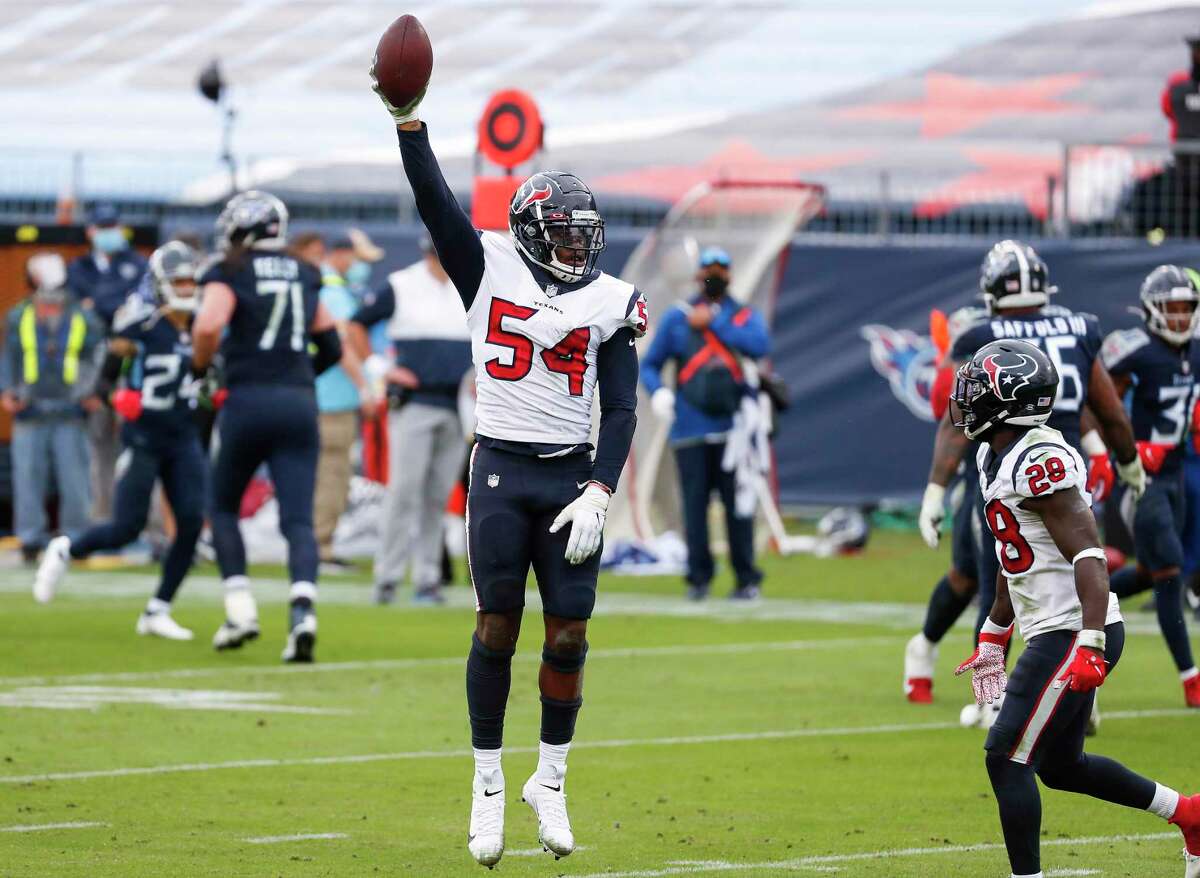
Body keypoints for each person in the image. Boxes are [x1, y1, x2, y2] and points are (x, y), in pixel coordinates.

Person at [373, 69, 645, 867]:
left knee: (569, 634)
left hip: (567, 477)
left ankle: (550, 779)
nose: (576, 245)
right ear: (529, 229)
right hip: (498, 469)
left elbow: (622, 407)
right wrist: (408, 120)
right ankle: (487, 782)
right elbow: (435, 204)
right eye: (562, 233)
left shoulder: (610, 299)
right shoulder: (485, 265)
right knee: (497, 624)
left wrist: (601, 488)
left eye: (582, 233)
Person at [949, 339, 1200, 878]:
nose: (964, 398)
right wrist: (995, 632)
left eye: (977, 389)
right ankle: (1190, 815)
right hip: (1055, 628)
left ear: (1007, 400)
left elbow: (1089, 553)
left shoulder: (1040, 459)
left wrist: (1090, 641)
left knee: (1006, 757)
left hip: (1073, 631)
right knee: (1062, 767)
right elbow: (1014, 557)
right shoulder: (992, 453)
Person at [906, 240, 1144, 721]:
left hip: (1021, 465)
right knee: (1032, 573)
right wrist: (1124, 459)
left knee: (1015, 572)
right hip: (1057, 464)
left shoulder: (984, 333)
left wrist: (934, 489)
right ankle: (1011, 689)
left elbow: (960, 417)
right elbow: (1104, 409)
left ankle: (1034, 694)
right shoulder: (1076, 327)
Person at [194, 190, 343, 663]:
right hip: (299, 402)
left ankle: (240, 610)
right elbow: (333, 347)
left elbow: (206, 326)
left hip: (247, 399)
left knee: (221, 507)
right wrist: (295, 379)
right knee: (298, 519)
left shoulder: (231, 271)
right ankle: (303, 612)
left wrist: (202, 371)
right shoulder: (306, 271)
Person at [32, 242, 208, 640]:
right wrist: (117, 398)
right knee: (125, 528)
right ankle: (65, 549)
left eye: (190, 280)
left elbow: (207, 375)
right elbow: (105, 381)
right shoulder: (139, 326)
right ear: (162, 284)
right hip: (144, 436)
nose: (186, 287)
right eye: (178, 281)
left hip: (182, 436)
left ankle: (157, 609)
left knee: (192, 523)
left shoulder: (204, 324)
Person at [640, 246, 770, 601]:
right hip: (690, 428)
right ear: (698, 276)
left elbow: (760, 345)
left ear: (729, 276)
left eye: (721, 271)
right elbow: (649, 364)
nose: (714, 277)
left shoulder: (742, 315)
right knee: (694, 508)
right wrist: (659, 394)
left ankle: (746, 578)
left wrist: (715, 322)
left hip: (734, 430)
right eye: (708, 270)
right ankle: (698, 579)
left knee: (738, 508)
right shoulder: (677, 318)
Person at [348, 236, 472, 604]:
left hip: (457, 403)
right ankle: (387, 576)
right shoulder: (403, 284)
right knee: (403, 491)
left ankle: (428, 578)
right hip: (415, 401)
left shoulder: (467, 285)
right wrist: (381, 368)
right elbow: (356, 326)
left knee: (437, 495)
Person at [1099, 265, 1200, 706]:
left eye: (1186, 309)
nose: (1179, 317)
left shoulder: (1195, 352)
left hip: (1175, 474)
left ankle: (1081, 598)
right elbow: (1097, 402)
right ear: (1150, 311)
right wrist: (1128, 449)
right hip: (1140, 480)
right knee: (1169, 571)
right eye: (1170, 309)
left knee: (1148, 573)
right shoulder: (1135, 350)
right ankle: (1191, 678)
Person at [0, 254, 103, 563]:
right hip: (29, 410)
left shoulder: (84, 318)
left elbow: (96, 355)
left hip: (71, 410)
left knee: (75, 479)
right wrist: (7, 390)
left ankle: (76, 539)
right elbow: (8, 356)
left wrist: (94, 391)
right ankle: (30, 540)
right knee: (28, 478)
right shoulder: (19, 316)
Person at [67, 203, 149, 522]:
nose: (110, 232)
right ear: (91, 231)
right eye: (103, 227)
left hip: (131, 365)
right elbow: (78, 310)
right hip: (92, 367)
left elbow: (136, 307)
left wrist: (99, 302)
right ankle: (102, 521)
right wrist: (112, 303)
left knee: (138, 444)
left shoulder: (137, 264)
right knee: (98, 446)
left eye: (113, 226)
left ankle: (140, 522)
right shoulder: (79, 267)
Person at [313, 233, 377, 573]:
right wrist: (364, 387)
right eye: (356, 258)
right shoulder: (334, 293)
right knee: (331, 474)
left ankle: (322, 543)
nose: (359, 267)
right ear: (340, 254)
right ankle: (320, 546)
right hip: (332, 399)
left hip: (328, 396)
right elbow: (341, 346)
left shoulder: (330, 289)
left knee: (331, 473)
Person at [1161, 34, 1200, 237]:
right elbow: (1168, 109)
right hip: (1184, 159)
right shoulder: (1178, 85)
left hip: (1186, 156)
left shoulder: (1177, 85)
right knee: (1184, 203)